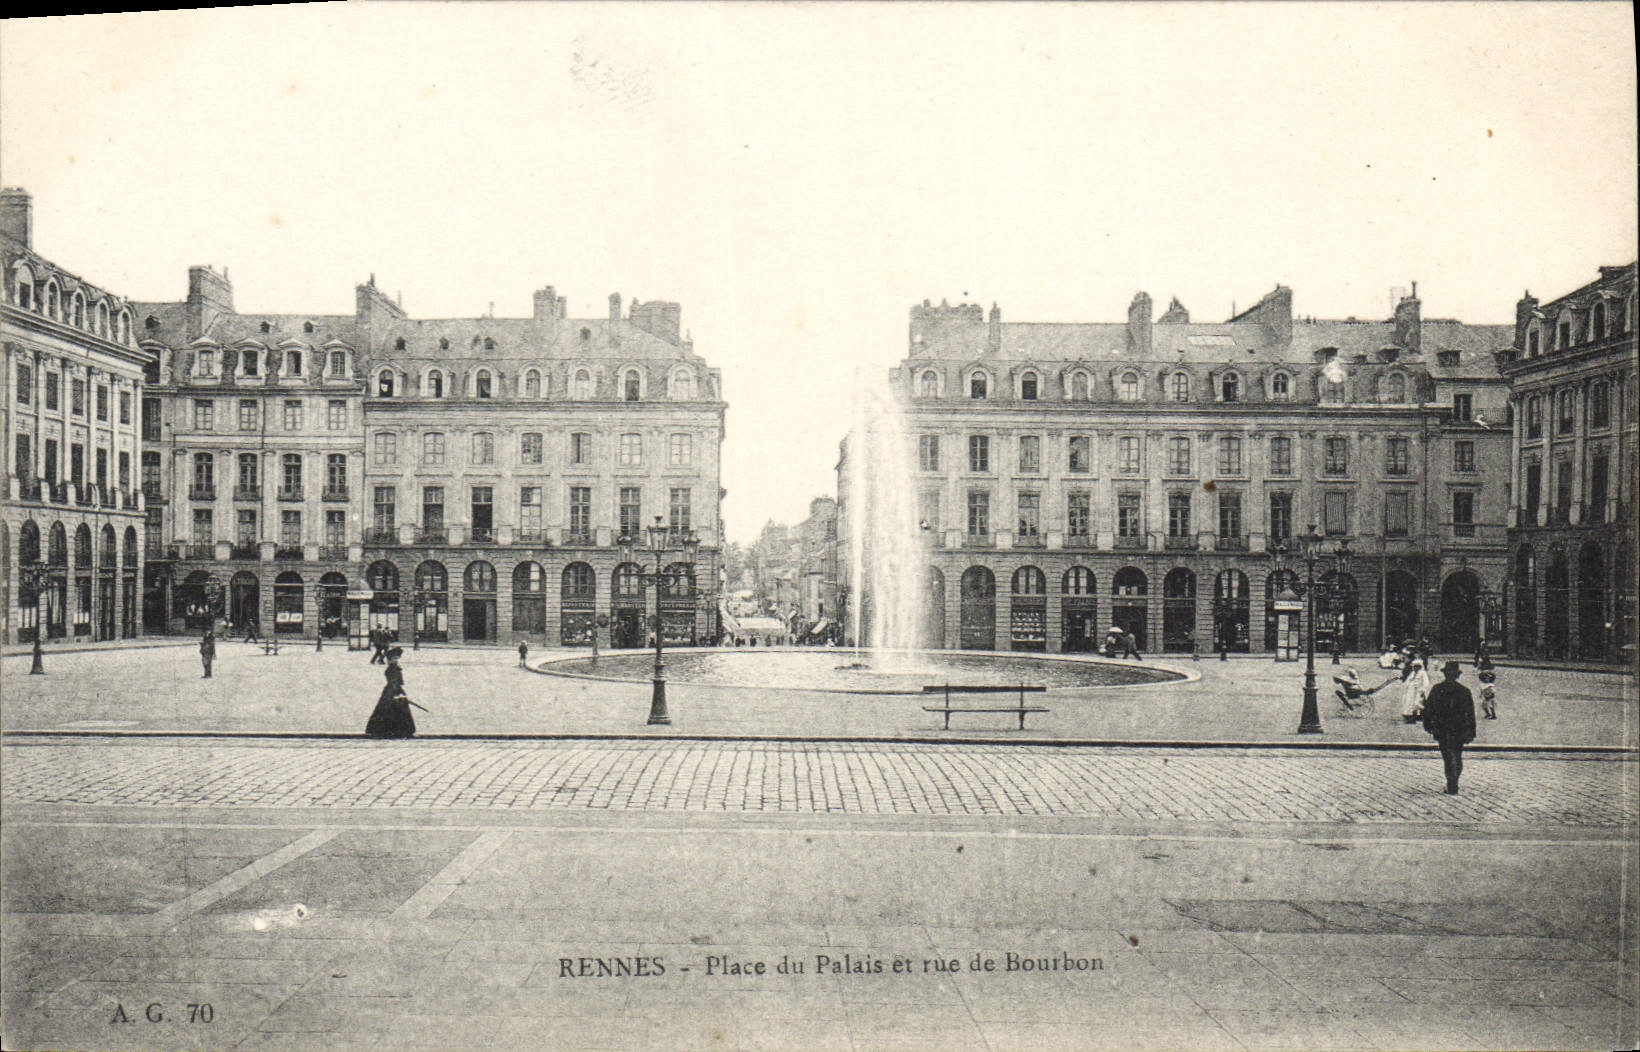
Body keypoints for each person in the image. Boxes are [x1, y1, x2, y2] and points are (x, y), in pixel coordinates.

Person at [1422, 660, 1477, 794]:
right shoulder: (1464, 691)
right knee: (1457, 755)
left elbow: (1428, 709)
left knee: (1447, 756)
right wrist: (1471, 731)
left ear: (1445, 674)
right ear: (1458, 675)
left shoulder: (1437, 689)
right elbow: (1470, 713)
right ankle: (1454, 782)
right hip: (1459, 728)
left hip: (1443, 728)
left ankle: (1451, 783)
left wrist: (1428, 724)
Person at [364, 647, 416, 739]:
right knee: (389, 710)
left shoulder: (396, 668)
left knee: (397, 711)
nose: (396, 660)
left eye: (397, 658)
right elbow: (393, 682)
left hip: (395, 690)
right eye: (393, 658)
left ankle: (398, 731)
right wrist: (396, 694)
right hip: (391, 691)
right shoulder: (391, 669)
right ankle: (388, 731)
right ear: (389, 660)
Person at [1400, 658, 1431, 724]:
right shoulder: (1412, 673)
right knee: (1409, 703)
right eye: (1415, 666)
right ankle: (1410, 716)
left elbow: (1426, 683)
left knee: (1417, 703)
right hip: (1411, 691)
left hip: (1418, 691)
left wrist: (1423, 690)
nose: (1416, 668)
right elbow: (1407, 681)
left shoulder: (1423, 673)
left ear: (1420, 667)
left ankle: (1421, 715)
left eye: (1417, 666)